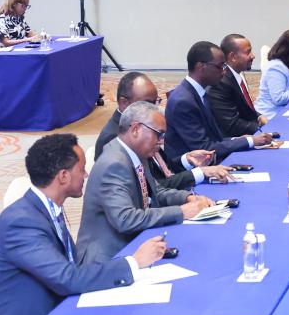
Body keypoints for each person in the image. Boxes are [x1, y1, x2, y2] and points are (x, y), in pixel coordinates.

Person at [0, 134, 166, 315]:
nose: (86, 175)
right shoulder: (21, 222)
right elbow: (66, 277)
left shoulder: (45, 209)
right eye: (82, 169)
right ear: (63, 176)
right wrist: (134, 263)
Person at [78, 102, 214, 264]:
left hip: (134, 242)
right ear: (136, 129)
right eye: (159, 134)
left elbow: (156, 192)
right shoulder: (113, 164)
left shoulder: (136, 153)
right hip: (107, 258)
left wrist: (188, 198)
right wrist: (181, 211)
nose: (161, 142)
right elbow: (125, 219)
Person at [95, 72, 234, 189]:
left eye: (156, 101)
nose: (154, 108)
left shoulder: (144, 125)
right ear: (123, 102)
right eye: (147, 103)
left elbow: (164, 169)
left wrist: (188, 160)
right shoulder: (115, 138)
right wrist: (200, 172)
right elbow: (151, 188)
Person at [164, 41, 273, 162]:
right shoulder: (183, 101)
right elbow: (204, 148)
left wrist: (239, 140)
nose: (223, 71)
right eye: (220, 66)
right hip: (194, 167)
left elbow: (214, 139)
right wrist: (249, 141)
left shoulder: (198, 93)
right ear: (201, 66)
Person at [206, 34, 268, 138]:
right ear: (233, 57)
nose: (253, 56)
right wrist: (263, 128)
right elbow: (231, 124)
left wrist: (259, 116)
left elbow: (244, 108)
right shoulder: (220, 83)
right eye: (248, 52)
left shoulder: (237, 75)